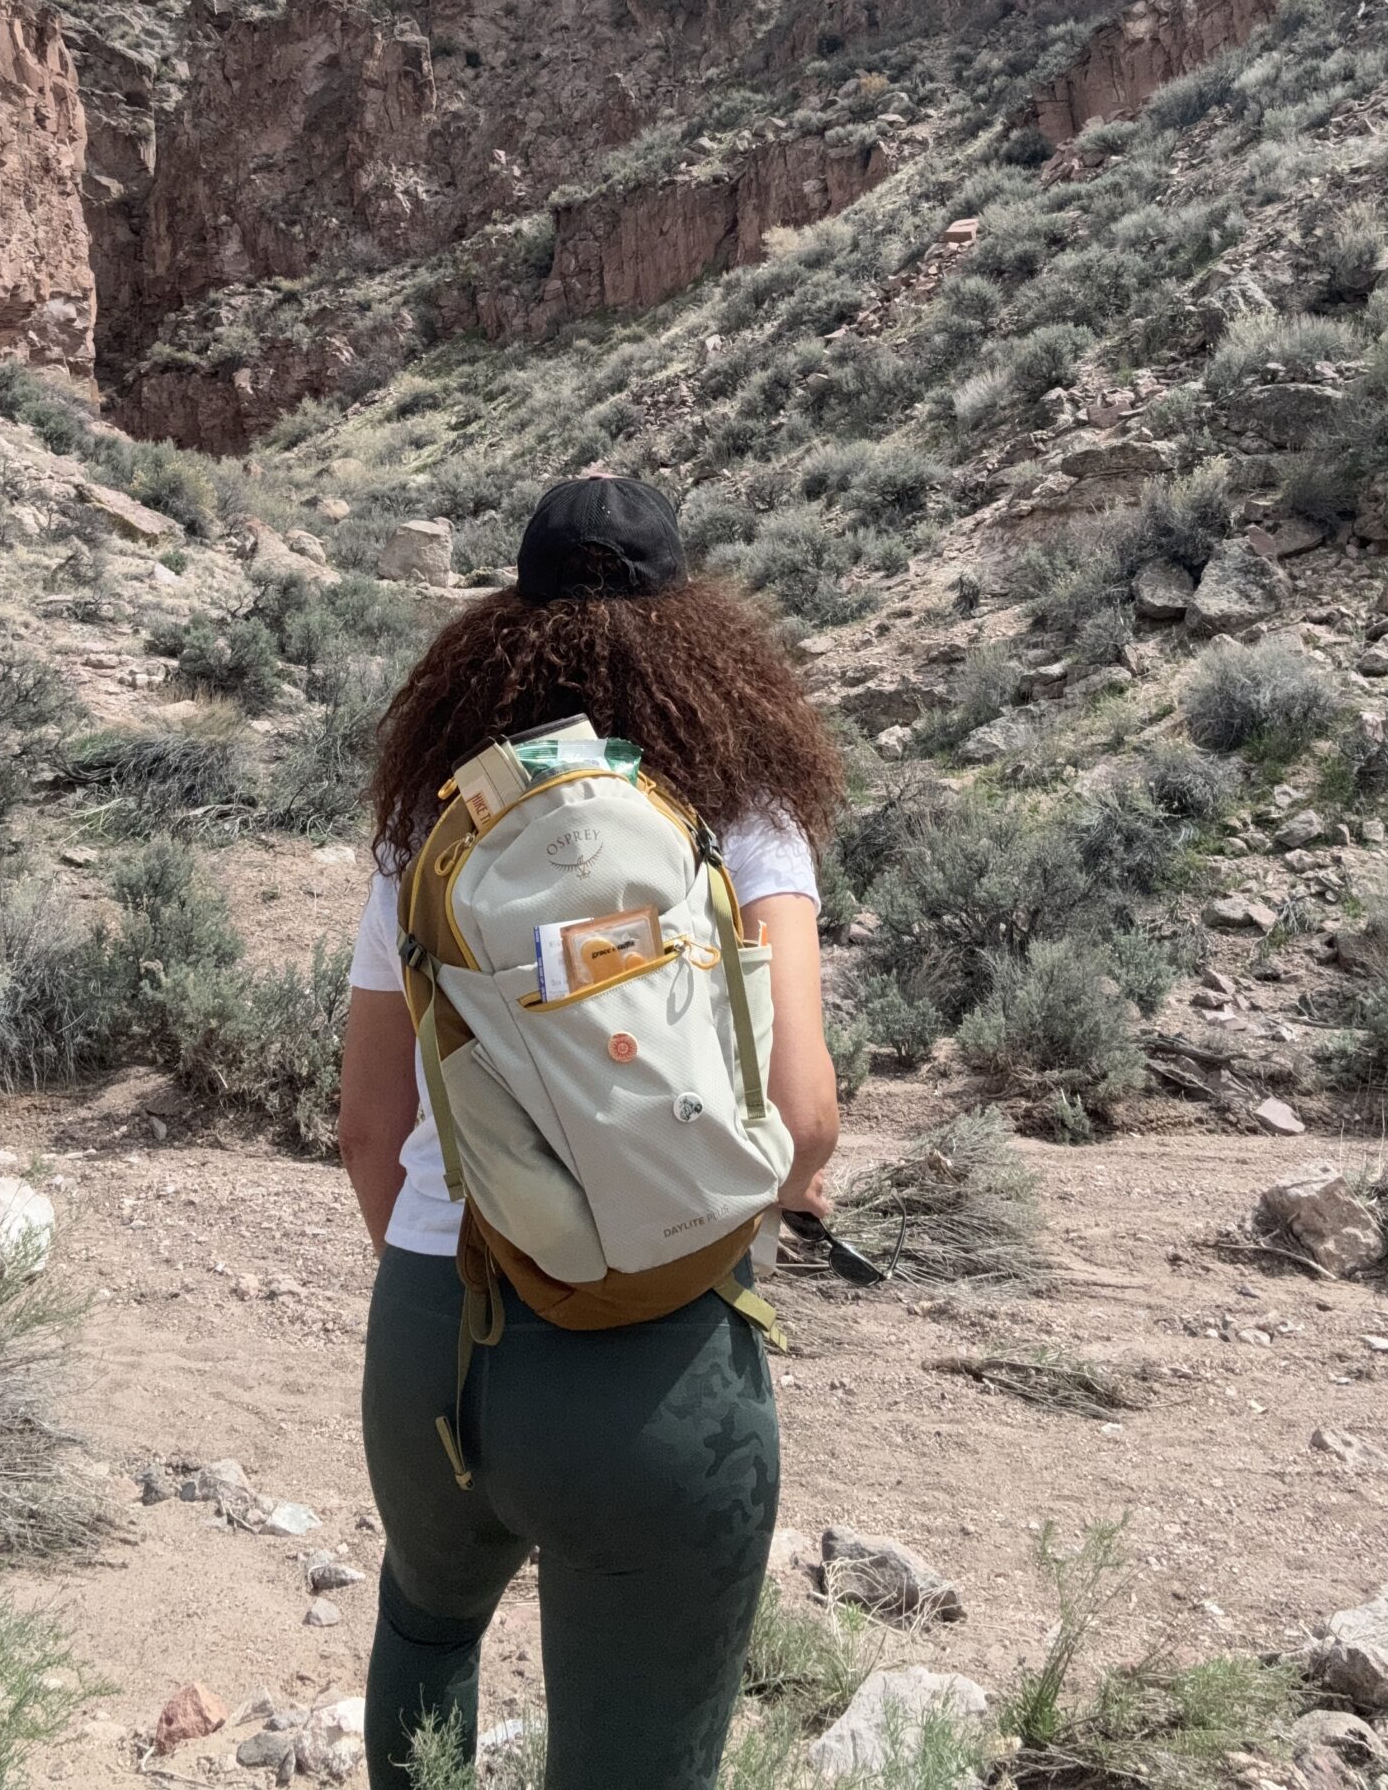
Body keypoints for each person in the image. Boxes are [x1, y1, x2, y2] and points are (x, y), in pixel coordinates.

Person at [340, 475, 845, 1790]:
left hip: (434, 1337)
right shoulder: (742, 817)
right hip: (651, 1367)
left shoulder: (435, 826)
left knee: (427, 1626)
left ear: (504, 632)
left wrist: (456, 1257)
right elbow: (802, 1121)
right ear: (697, 635)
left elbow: (367, 1132)